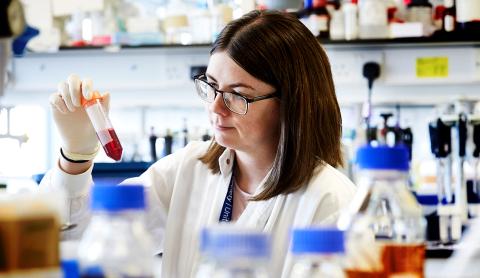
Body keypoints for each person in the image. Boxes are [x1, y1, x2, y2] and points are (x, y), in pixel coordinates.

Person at [40, 10, 356, 277]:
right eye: (211, 86)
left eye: (238, 95)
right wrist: (75, 156)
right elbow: (83, 242)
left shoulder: (330, 201)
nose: (216, 108)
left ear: (291, 102)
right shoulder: (190, 169)